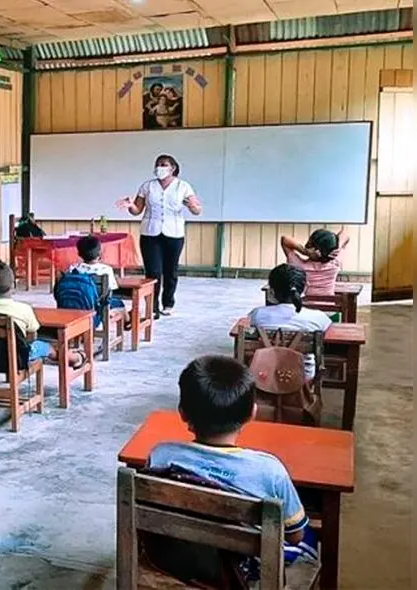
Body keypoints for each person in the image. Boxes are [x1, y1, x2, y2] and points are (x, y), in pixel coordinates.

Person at [148, 356, 318, 576]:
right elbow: (294, 536)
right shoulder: (270, 471)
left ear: (182, 413)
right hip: (240, 569)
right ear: (252, 413)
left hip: (175, 561)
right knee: (309, 538)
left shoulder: (161, 455)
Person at [116, 154, 202, 318]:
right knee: (152, 272)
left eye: (164, 164)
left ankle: (168, 303)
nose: (159, 168)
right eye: (157, 164)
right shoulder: (147, 186)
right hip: (150, 233)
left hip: (174, 233)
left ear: (173, 168)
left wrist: (192, 206)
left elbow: (197, 209)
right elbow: (137, 211)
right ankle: (152, 307)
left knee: (171, 271)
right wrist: (130, 205)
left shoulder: (183, 186)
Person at [0, 261, 85, 369]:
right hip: (16, 358)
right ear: (13, 285)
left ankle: (71, 356)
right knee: (45, 347)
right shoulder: (23, 309)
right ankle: (73, 358)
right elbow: (33, 332)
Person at [248, 264, 332, 381]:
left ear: (271, 291)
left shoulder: (257, 315)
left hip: (265, 377)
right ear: (305, 288)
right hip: (303, 378)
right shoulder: (319, 318)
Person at [281, 229, 348, 297]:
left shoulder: (298, 266)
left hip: (304, 307)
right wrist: (337, 248)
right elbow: (345, 234)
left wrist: (304, 251)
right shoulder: (334, 264)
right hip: (327, 307)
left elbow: (285, 240)